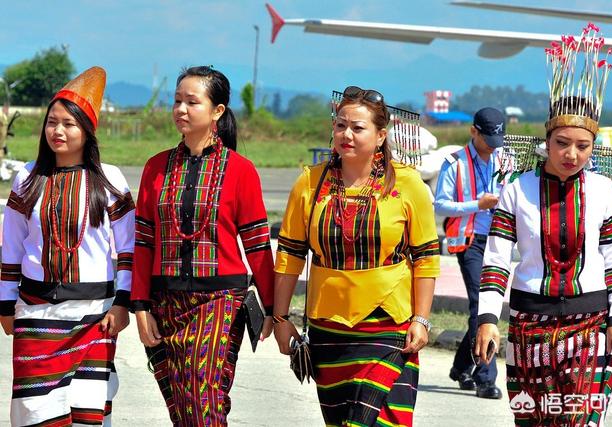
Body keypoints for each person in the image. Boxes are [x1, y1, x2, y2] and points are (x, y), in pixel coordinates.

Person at [476, 26, 612, 426]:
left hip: (590, 323)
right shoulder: (517, 190)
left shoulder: (602, 190)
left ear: (593, 147)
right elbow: (495, 260)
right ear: (547, 139)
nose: (572, 153)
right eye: (563, 142)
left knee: (580, 420)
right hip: (529, 325)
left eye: (583, 146)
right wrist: (488, 318)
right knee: (535, 420)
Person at [273, 86, 440, 426]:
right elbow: (290, 253)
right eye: (339, 125)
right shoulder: (309, 183)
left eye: (357, 128)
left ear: (381, 136)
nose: (345, 134)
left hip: (388, 324)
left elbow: (426, 257)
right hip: (328, 326)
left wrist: (421, 320)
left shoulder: (408, 184)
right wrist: (280, 318)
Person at [131, 66, 275, 426]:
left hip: (219, 303)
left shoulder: (241, 170)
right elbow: (144, 241)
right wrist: (140, 305)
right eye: (177, 100)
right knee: (181, 407)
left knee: (202, 398)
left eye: (191, 102)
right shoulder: (155, 168)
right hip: (165, 302)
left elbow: (257, 246)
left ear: (217, 111)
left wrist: (274, 307)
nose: (180, 108)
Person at [0, 66, 135, 426]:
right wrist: (4, 303)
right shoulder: (27, 178)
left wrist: (122, 304)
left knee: (87, 413)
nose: (57, 131)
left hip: (95, 317)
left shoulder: (109, 179)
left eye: (69, 124)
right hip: (35, 313)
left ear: (87, 131)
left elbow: (128, 250)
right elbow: (10, 246)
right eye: (51, 122)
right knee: (34, 413)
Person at [433, 107, 505, 399]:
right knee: (481, 304)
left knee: (484, 308)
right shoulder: (455, 163)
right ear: (473, 131)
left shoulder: (505, 158)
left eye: (497, 139)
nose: (492, 145)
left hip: (499, 241)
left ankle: (462, 367)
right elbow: (440, 205)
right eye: (487, 138)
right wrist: (478, 204)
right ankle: (486, 378)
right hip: (469, 241)